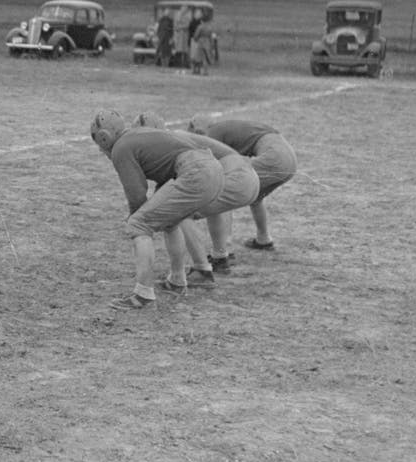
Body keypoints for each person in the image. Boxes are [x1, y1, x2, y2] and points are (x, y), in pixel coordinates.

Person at [90, 109, 225, 311]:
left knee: (138, 224)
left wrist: (134, 218)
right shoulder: (137, 135)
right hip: (212, 169)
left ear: (104, 137)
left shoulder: (121, 147)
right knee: (170, 223)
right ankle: (177, 281)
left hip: (195, 171)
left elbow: (136, 194)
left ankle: (143, 294)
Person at [132, 111, 260, 286]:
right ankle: (220, 257)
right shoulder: (175, 138)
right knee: (206, 206)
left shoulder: (170, 141)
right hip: (247, 177)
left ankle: (202, 270)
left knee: (178, 213)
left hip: (236, 176)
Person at [188, 115, 297, 263]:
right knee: (256, 196)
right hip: (289, 157)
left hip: (273, 157)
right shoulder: (229, 127)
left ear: (197, 127)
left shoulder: (213, 132)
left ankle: (221, 253)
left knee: (220, 192)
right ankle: (263, 239)